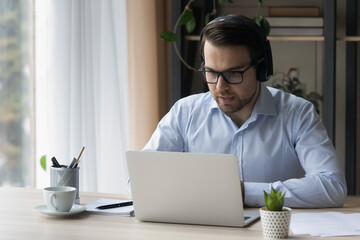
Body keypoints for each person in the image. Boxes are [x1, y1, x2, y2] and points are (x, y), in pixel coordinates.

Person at [143, 15, 347, 208]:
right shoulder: (185, 113)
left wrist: (241, 192)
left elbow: (332, 186)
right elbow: (141, 178)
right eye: (211, 72)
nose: (220, 87)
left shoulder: (297, 114)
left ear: (261, 69)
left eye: (233, 73)